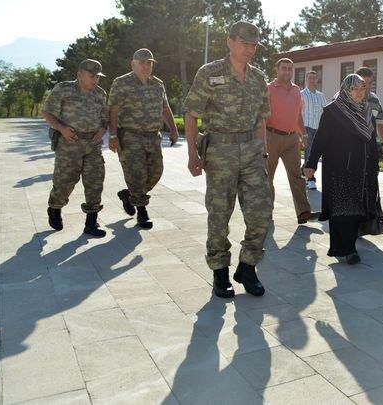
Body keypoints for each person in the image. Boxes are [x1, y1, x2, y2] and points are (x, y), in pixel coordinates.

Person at [183, 21, 273, 299]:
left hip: (251, 151)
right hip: (219, 151)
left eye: (253, 44)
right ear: (230, 42)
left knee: (261, 212)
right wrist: (192, 154)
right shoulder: (209, 73)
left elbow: (261, 120)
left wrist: (264, 153)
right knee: (220, 215)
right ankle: (220, 272)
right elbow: (191, 113)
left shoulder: (258, 78)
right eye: (244, 43)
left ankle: (247, 267)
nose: (249, 49)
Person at [304, 74, 382, 264]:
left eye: (362, 89)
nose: (359, 93)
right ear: (346, 89)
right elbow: (320, 139)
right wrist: (311, 163)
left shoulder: (366, 110)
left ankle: (348, 245)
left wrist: (375, 164)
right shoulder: (333, 111)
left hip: (361, 169)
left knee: (355, 208)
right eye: (355, 88)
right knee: (342, 209)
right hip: (339, 170)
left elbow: (371, 140)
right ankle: (347, 249)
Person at [108, 48, 179, 229]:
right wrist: (113, 135)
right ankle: (142, 211)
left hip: (153, 136)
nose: (146, 66)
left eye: (149, 63)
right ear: (133, 64)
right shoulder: (121, 83)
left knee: (156, 172)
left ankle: (129, 195)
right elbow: (113, 110)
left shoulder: (158, 84)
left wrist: (173, 129)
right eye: (142, 62)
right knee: (136, 174)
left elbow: (164, 108)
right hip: (130, 136)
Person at [42, 59, 108, 237]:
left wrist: (102, 131)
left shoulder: (100, 94)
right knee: (65, 182)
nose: (95, 80)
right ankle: (55, 207)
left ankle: (91, 223)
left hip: (92, 145)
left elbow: (104, 119)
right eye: (92, 76)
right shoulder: (64, 89)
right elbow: (47, 112)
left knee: (95, 182)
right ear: (79, 74)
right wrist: (62, 129)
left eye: (98, 77)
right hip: (69, 143)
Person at [266, 58, 319, 223]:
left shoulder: (296, 90)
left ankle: (303, 212)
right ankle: (266, 213)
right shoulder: (268, 88)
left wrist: (302, 134)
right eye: (284, 68)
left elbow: (297, 115)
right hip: (271, 137)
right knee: (267, 177)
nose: (287, 71)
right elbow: (261, 117)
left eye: (290, 69)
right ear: (277, 69)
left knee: (297, 176)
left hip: (291, 139)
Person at [355, 67, 383, 161]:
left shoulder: (375, 100)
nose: (367, 86)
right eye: (364, 82)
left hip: (370, 148)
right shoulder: (344, 98)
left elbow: (381, 124)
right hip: (350, 150)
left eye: (370, 83)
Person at [300, 70, 327, 190]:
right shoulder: (301, 94)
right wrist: (300, 132)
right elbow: (297, 113)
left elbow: (326, 112)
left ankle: (304, 170)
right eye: (309, 78)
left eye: (314, 78)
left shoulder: (320, 95)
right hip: (306, 128)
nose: (312, 80)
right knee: (310, 152)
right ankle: (310, 179)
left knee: (314, 153)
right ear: (306, 79)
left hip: (318, 129)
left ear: (317, 80)